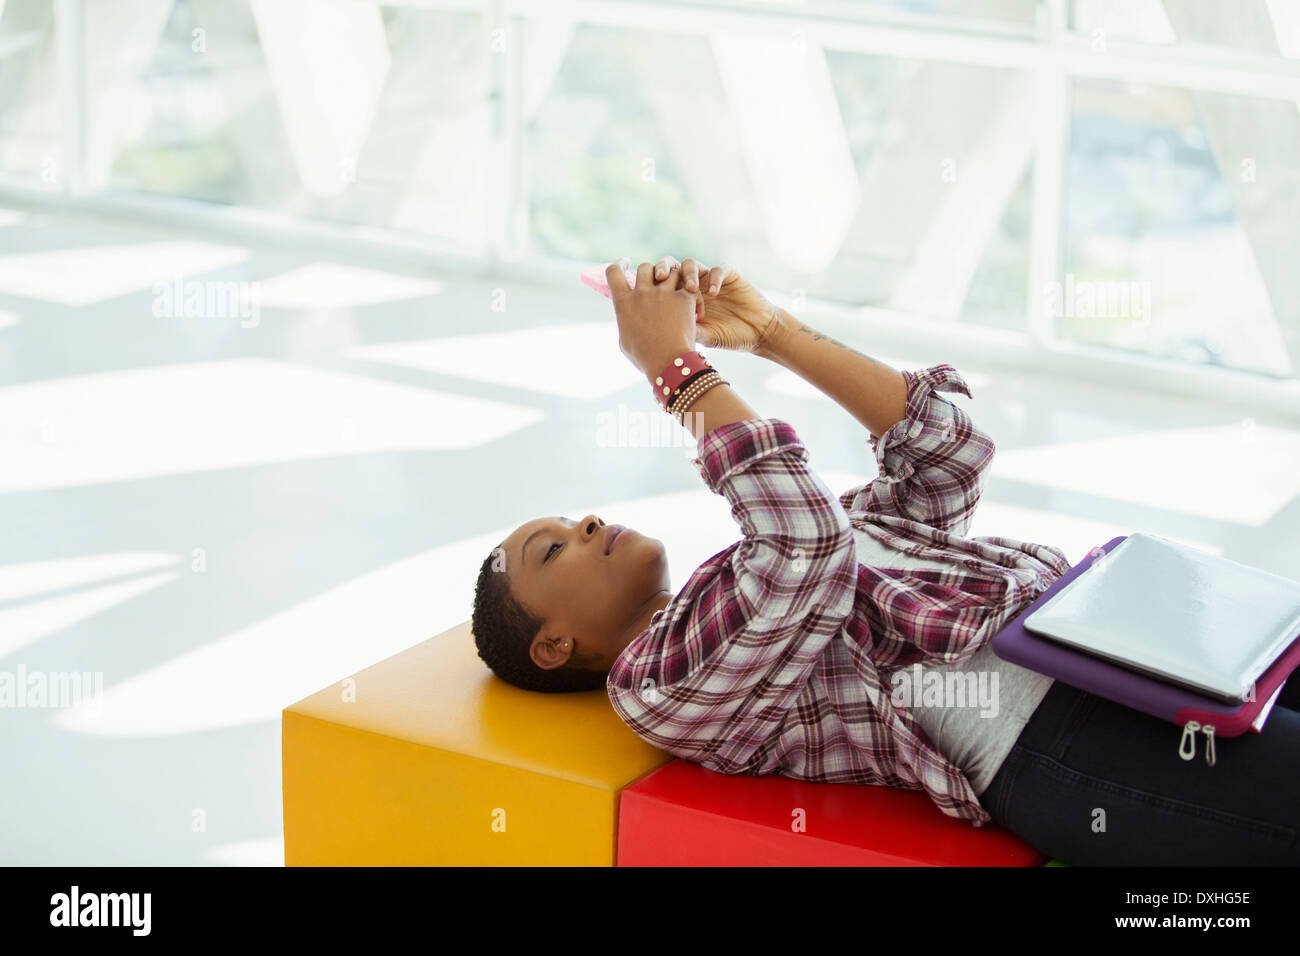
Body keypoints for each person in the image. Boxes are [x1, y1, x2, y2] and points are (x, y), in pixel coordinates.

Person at [472, 255, 1300, 865]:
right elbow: (808, 549)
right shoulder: (658, 685)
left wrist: (775, 335)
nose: (584, 522)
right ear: (553, 646)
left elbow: (949, 456)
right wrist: (672, 369)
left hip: (1144, 640)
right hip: (1063, 736)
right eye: (552, 547)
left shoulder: (747, 568)